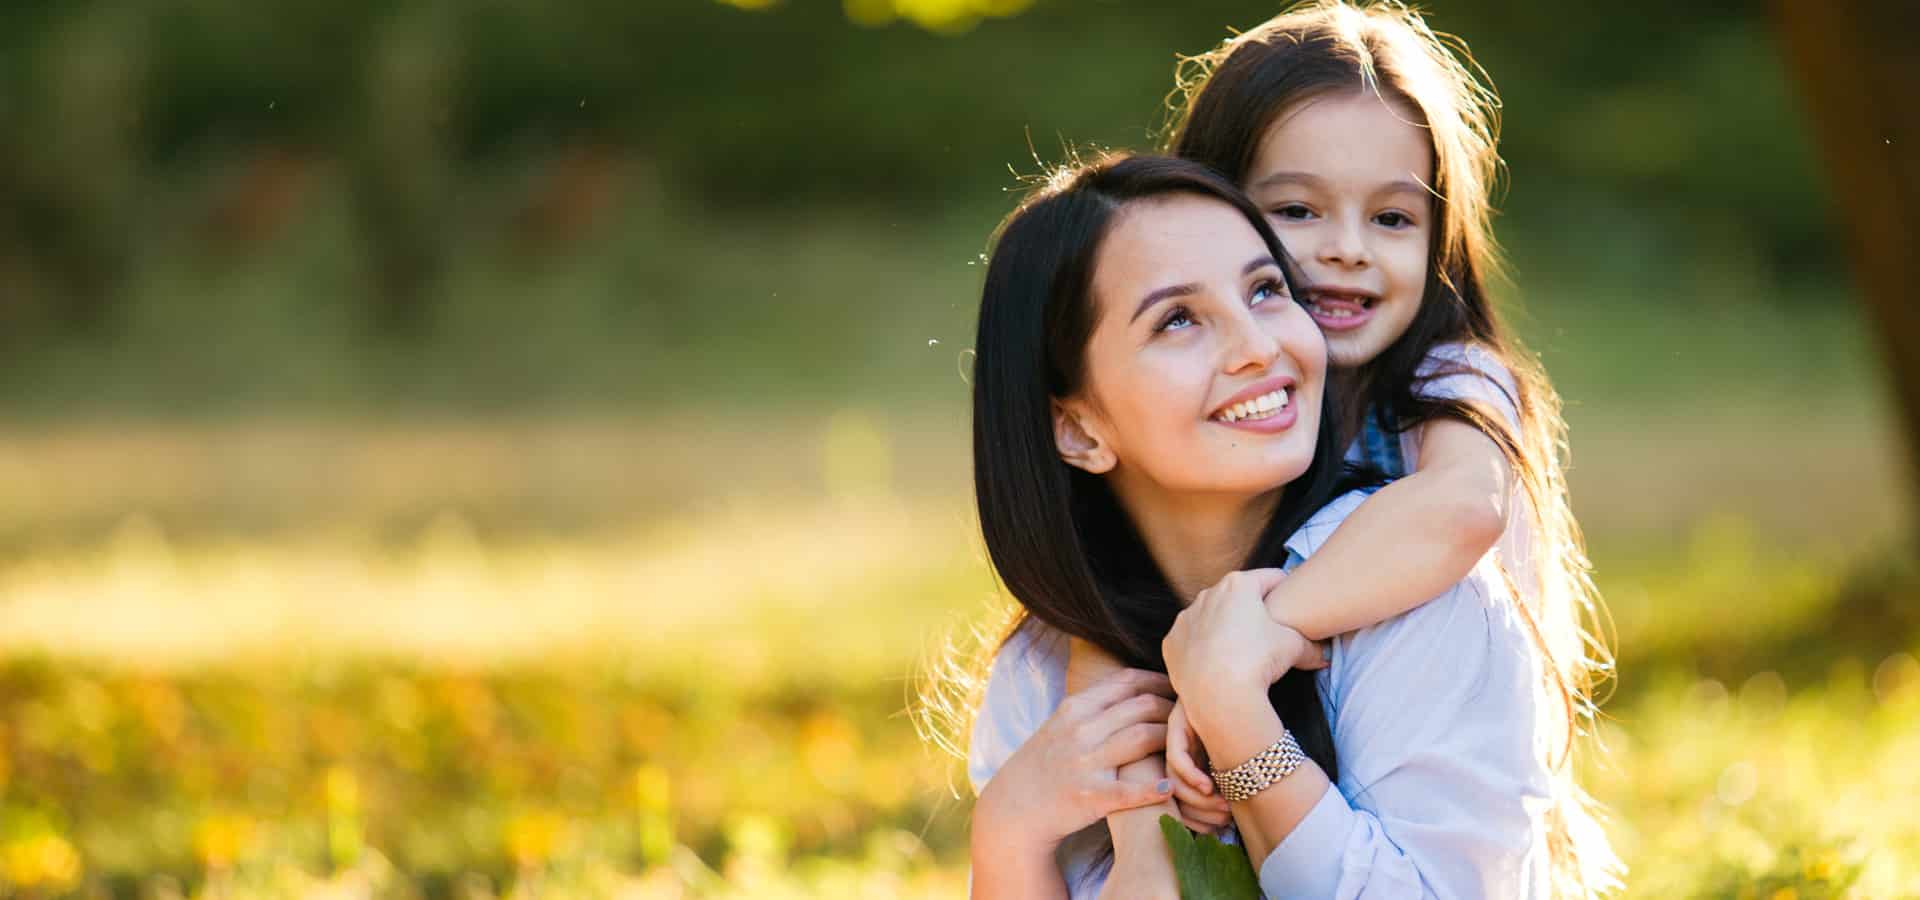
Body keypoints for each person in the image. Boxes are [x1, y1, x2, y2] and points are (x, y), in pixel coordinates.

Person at [1068, 3, 1620, 893]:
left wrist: (1254, 635)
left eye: (1393, 218)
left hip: (1426, 793)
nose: (1348, 250)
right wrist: (1139, 835)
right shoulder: (1222, 403)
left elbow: (1462, 511)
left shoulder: (1453, 380)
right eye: (1296, 209)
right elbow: (1103, 595)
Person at [965, 153, 1564, 898]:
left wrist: (1237, 719)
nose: (1258, 347)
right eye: (1178, 319)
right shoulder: (1042, 669)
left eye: (1266, 290)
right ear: (1079, 429)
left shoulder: (1423, 600)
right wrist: (1008, 835)